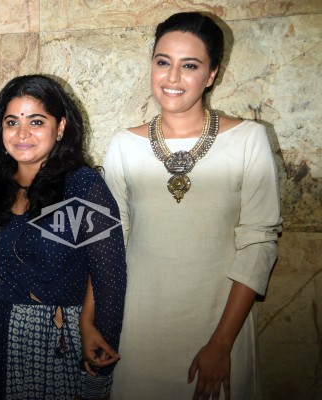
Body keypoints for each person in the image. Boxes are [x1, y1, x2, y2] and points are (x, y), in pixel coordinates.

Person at [83, 11, 282, 400]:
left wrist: (221, 343)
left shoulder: (248, 139)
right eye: (163, 62)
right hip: (139, 331)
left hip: (220, 329)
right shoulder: (125, 144)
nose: (172, 78)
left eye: (189, 65)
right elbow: (108, 241)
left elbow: (259, 242)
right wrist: (88, 320)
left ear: (211, 74)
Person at [0, 74, 126, 399]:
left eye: (36, 121)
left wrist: (99, 346)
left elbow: (109, 278)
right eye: (12, 122)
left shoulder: (80, 186)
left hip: (49, 341)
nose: (22, 134)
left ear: (60, 127)